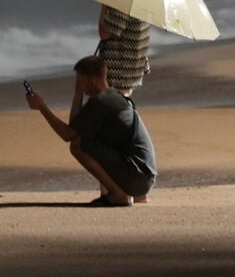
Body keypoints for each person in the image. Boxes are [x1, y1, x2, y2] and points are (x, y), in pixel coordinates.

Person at [25, 56, 156, 206]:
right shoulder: (112, 96)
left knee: (77, 145)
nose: (79, 83)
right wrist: (78, 91)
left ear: (92, 80)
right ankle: (129, 193)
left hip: (138, 179)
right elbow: (75, 125)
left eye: (80, 80)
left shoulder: (101, 103)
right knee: (87, 139)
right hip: (143, 177)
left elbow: (67, 135)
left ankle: (118, 194)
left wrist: (42, 107)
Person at [97, 4, 150, 95]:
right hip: (131, 68)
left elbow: (104, 33)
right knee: (121, 102)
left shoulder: (122, 5)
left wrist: (104, 8)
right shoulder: (140, 4)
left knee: (113, 103)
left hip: (118, 71)